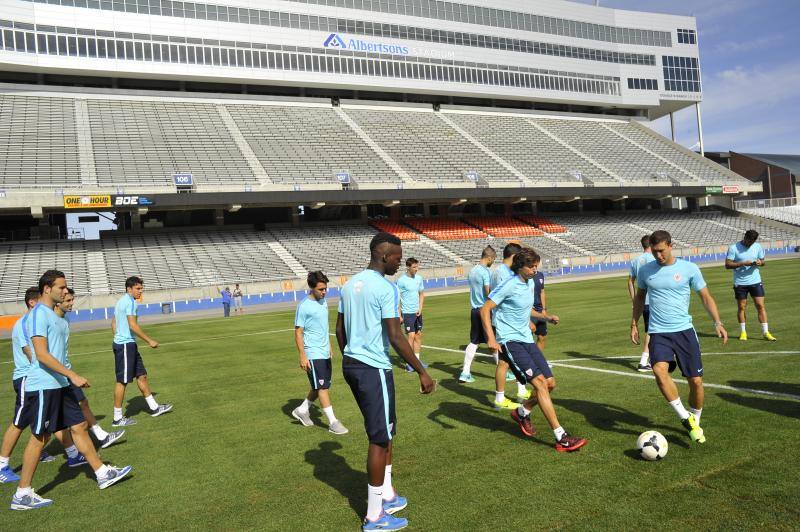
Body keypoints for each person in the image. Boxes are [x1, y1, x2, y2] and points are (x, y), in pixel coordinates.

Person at [335, 233, 435, 531]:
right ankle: (374, 516)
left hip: (353, 365)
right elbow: (395, 336)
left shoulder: (350, 284)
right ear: (383, 255)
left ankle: (388, 494)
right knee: (379, 438)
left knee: (387, 430)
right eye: (396, 258)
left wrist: (351, 356)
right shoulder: (385, 288)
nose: (398, 263)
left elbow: (340, 329)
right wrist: (421, 370)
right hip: (373, 369)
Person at [11, 270, 132, 510]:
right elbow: (41, 355)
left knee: (79, 426)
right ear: (47, 289)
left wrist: (67, 377)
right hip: (45, 385)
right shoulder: (38, 315)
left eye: (66, 288)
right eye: (62, 288)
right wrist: (72, 375)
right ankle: (22, 494)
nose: (66, 292)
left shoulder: (57, 316)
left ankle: (101, 472)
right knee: (40, 437)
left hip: (60, 383)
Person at [480, 249, 587, 452]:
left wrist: (544, 317)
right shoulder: (509, 284)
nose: (535, 270)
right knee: (539, 384)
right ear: (520, 266)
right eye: (532, 266)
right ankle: (561, 437)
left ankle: (523, 411)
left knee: (550, 383)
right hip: (510, 341)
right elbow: (485, 309)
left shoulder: (528, 283)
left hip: (526, 339)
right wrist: (491, 339)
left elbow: (525, 307)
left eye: (537, 266)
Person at [632, 231, 728, 444]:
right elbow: (639, 297)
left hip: (684, 330)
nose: (658, 256)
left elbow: (705, 296)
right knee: (658, 370)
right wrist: (634, 323)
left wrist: (718, 323)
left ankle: (695, 419)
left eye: (661, 251)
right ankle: (685, 418)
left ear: (670, 245)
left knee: (695, 381)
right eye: (655, 251)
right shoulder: (646, 270)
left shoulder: (689, 268)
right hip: (658, 331)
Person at [1, 287, 57, 484]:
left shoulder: (33, 321)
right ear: (32, 302)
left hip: (32, 376)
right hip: (27, 376)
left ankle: (37, 453)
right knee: (19, 421)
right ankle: (1, 465)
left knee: (37, 419)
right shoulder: (25, 323)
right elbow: (30, 353)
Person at [56, 288, 125, 449]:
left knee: (83, 403)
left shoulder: (65, 319)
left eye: (72, 300)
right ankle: (4, 463)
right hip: (54, 377)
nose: (72, 303)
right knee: (42, 426)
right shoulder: (49, 320)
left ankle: (100, 437)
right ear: (57, 301)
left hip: (66, 373)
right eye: (68, 301)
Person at [291, 271, 348, 435]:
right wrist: (302, 355)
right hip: (312, 353)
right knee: (322, 387)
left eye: (325, 288)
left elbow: (323, 326)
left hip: (324, 351)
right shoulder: (304, 306)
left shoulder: (323, 301)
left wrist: (329, 345)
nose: (324, 292)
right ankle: (333, 422)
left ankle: (302, 410)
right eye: (321, 289)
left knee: (320, 385)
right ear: (311, 288)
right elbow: (298, 332)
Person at [111, 276, 172, 427]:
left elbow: (113, 322)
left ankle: (154, 408)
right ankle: (117, 418)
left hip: (128, 344)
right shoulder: (129, 302)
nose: (140, 291)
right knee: (122, 381)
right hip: (125, 345)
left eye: (141, 288)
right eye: (138, 288)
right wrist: (149, 340)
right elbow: (132, 325)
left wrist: (118, 335)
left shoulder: (123, 301)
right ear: (129, 289)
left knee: (142, 375)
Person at [491, 242, 528, 407]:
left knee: (510, 360)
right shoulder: (502, 273)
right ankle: (500, 398)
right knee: (505, 362)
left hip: (510, 323)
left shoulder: (500, 271)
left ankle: (520, 389)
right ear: (514, 257)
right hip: (505, 324)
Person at [725, 230, 775, 341]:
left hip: (755, 281)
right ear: (745, 237)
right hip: (740, 282)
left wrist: (760, 263)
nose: (750, 244)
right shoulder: (734, 248)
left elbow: (763, 261)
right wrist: (743, 263)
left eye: (752, 242)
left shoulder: (757, 246)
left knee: (760, 306)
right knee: (742, 307)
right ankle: (743, 332)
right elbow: (727, 265)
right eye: (749, 241)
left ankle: (766, 332)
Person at [459, 246, 498, 383]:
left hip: (474, 310)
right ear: (489, 257)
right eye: (493, 259)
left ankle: (465, 372)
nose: (493, 262)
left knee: (474, 341)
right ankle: (502, 371)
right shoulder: (485, 272)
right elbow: (488, 292)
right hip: (485, 310)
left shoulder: (472, 271)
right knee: (493, 340)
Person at [628, 235, 656, 371]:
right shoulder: (655, 259)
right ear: (651, 244)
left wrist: (635, 300)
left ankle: (653, 358)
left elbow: (630, 282)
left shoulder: (635, 261)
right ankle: (644, 361)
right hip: (654, 300)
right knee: (652, 330)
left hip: (642, 301)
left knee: (652, 329)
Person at [396, 258, 426, 372]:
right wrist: (399, 314)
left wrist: (420, 308)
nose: (416, 269)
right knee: (411, 336)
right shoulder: (401, 281)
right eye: (414, 267)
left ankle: (417, 361)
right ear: (408, 267)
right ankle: (409, 363)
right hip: (407, 312)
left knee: (418, 335)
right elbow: (397, 298)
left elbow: (422, 294)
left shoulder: (419, 278)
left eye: (417, 267)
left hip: (417, 312)